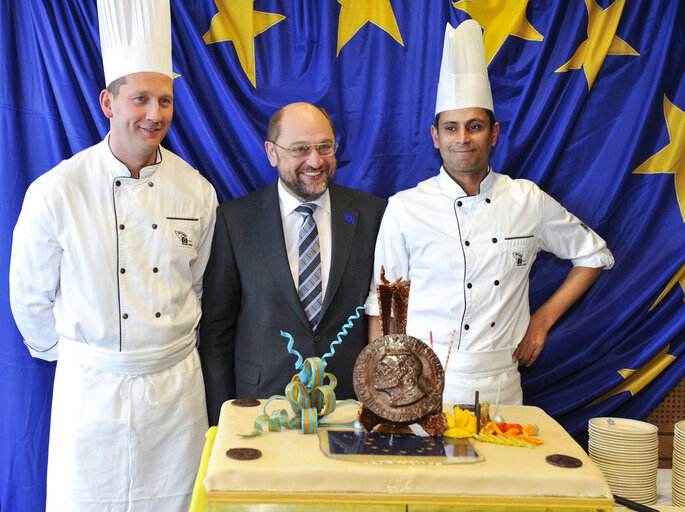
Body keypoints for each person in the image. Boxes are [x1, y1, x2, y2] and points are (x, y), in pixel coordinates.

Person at [8, 1, 217, 510]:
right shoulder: (56, 191)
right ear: (108, 102)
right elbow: (29, 299)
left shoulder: (196, 191)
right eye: (140, 98)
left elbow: (196, 284)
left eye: (164, 100)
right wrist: (88, 360)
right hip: (91, 394)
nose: (154, 114)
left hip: (175, 392)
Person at [365, 20, 614, 406]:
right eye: (451, 128)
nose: (462, 139)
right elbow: (385, 307)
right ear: (436, 137)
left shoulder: (527, 200)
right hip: (418, 383)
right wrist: (383, 392)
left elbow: (594, 255)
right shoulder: (404, 207)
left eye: (474, 126)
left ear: (494, 133)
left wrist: (542, 321)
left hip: (500, 385)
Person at [199, 102, 386, 425]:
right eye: (300, 149)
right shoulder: (235, 221)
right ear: (272, 153)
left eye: (325, 147)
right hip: (261, 408)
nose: (315, 161)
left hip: (349, 408)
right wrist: (221, 419)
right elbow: (217, 333)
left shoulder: (373, 215)